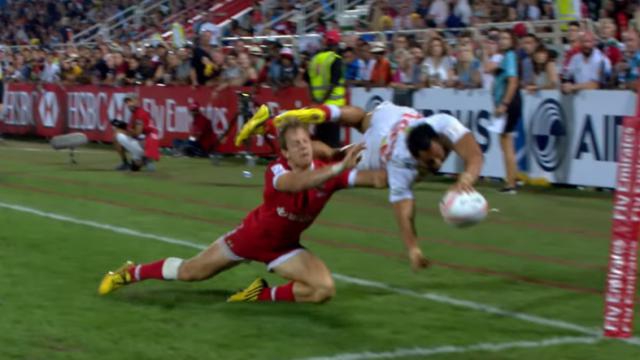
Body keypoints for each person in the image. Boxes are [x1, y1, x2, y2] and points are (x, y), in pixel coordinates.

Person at [98, 121, 386, 303]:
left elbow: (374, 179)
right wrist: (339, 165)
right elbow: (297, 184)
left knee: (323, 290)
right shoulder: (278, 171)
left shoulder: (329, 174)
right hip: (250, 238)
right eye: (295, 144)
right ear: (284, 153)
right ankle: (129, 273)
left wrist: (406, 167)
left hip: (284, 247)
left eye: (306, 142)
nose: (303, 147)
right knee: (190, 272)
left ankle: (259, 294)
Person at [235, 102, 483, 271]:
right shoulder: (400, 163)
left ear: (439, 136)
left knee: (361, 119)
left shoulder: (444, 123)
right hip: (378, 149)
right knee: (336, 155)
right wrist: (413, 248)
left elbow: (474, 154)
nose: (438, 163)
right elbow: (403, 207)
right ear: (415, 156)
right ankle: (295, 126)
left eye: (440, 155)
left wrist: (468, 177)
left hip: (393, 116)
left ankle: (308, 115)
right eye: (429, 161)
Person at [492, 29, 521, 194]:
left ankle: (511, 183)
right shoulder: (506, 57)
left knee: (506, 143)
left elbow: (512, 81)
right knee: (505, 143)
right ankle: (510, 180)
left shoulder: (509, 56)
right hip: (509, 103)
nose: (502, 40)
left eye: (505, 38)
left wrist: (504, 103)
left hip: (509, 103)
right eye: (501, 38)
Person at [113, 95, 159, 171]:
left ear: (137, 101)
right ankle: (144, 160)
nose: (128, 104)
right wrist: (126, 127)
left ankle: (143, 159)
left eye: (131, 101)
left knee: (117, 134)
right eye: (127, 102)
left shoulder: (139, 114)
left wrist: (125, 130)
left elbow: (137, 133)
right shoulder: (138, 113)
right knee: (135, 167)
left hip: (145, 145)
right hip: (148, 145)